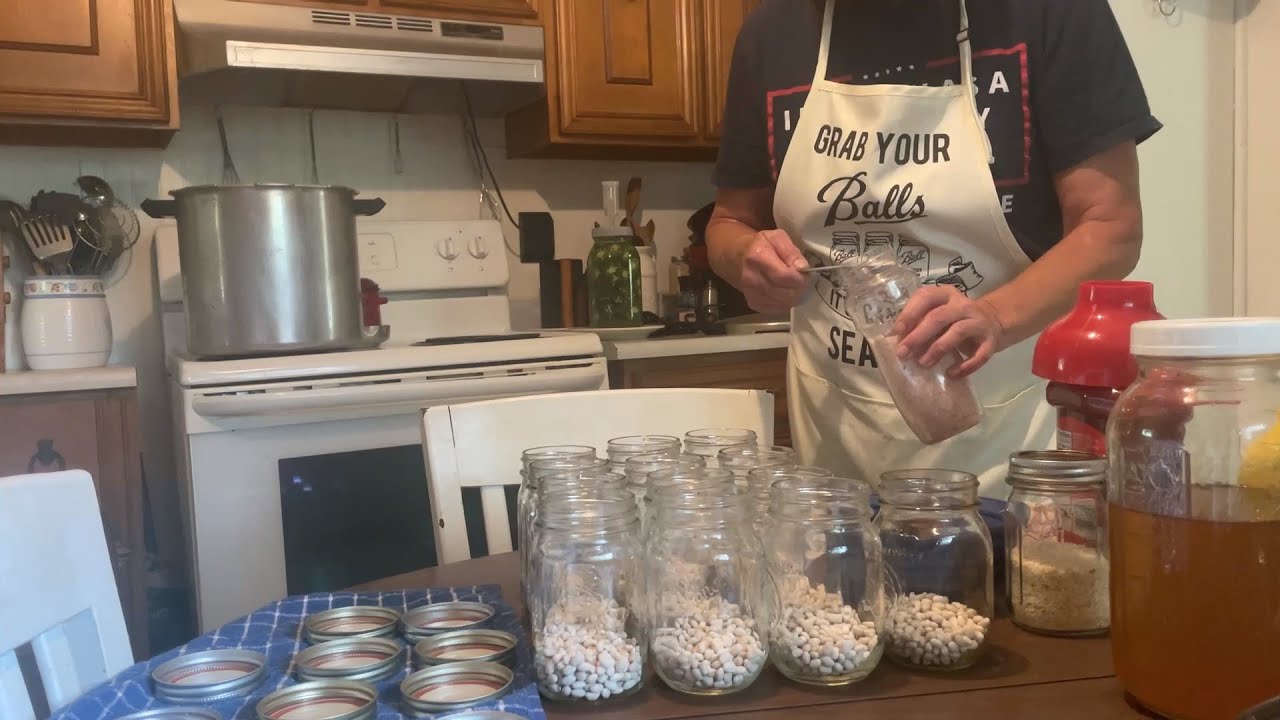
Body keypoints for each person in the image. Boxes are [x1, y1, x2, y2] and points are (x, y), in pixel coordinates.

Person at [707, 0, 1160, 492]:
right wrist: (746, 258)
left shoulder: (1051, 13)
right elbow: (729, 223)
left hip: (1008, 450)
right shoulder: (771, 36)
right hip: (835, 453)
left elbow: (1111, 227)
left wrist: (994, 315)